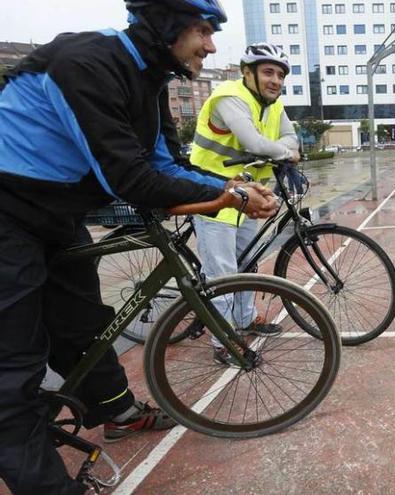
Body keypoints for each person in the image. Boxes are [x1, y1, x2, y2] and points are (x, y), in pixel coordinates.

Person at [0, 1, 278, 493]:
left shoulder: (148, 79)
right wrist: (222, 197)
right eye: (200, 31)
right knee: (14, 367)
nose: (210, 45)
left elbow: (165, 164)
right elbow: (127, 176)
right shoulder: (84, 63)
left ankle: (118, 412)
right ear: (167, 26)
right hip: (7, 211)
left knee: (85, 322)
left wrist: (227, 187)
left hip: (55, 214)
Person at [188, 42, 301, 365]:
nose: (276, 80)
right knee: (221, 274)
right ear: (247, 73)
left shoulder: (274, 106)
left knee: (246, 264)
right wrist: (284, 151)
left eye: (280, 74)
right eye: (268, 72)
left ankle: (245, 319)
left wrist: (280, 147)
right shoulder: (229, 96)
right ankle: (221, 341)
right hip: (213, 196)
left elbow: (292, 138)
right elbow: (255, 143)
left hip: (247, 199)